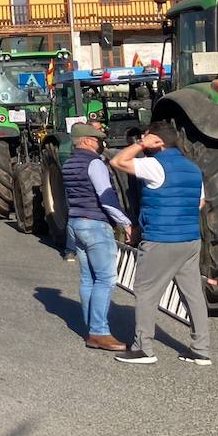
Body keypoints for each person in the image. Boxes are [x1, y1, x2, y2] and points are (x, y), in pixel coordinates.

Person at [111, 122, 211, 365]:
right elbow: (200, 202)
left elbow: (118, 162)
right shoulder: (193, 169)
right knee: (193, 295)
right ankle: (201, 350)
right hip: (189, 240)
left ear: (158, 141)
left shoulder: (155, 165)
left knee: (146, 292)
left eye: (147, 138)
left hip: (161, 239)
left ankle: (143, 349)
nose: (143, 141)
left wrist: (139, 144)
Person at [59, 123, 129, 352]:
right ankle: (99, 332)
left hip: (75, 222)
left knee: (87, 278)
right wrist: (125, 222)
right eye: (97, 139)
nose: (100, 143)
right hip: (95, 224)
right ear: (87, 141)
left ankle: (90, 327)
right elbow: (106, 196)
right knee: (105, 278)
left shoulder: (68, 164)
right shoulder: (94, 163)